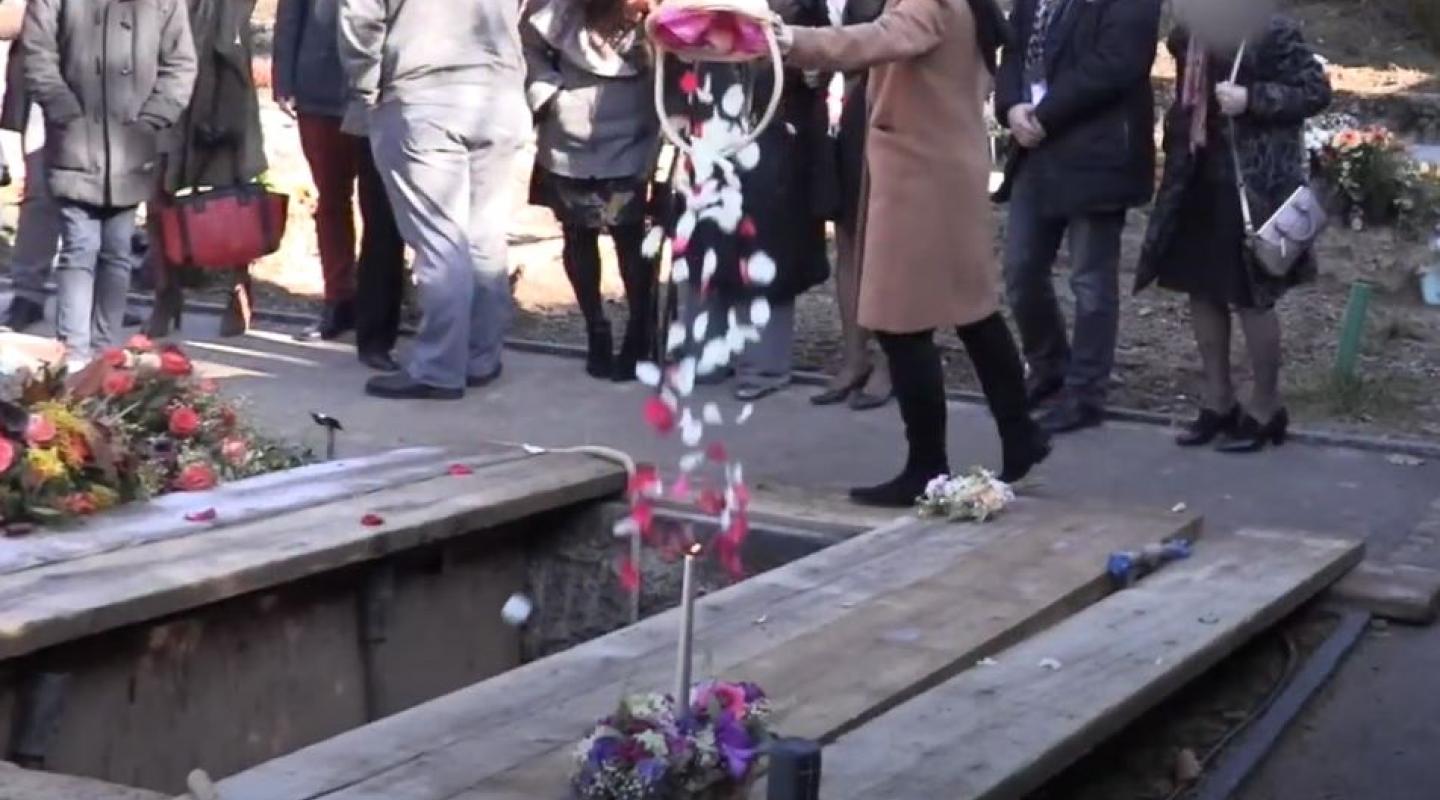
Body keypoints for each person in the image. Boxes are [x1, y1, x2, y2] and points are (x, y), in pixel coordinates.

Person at [776, 0, 1050, 507]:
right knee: (972, 311)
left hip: (920, 177)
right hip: (941, 167)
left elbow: (879, 38)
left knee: (900, 323)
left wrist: (793, 40)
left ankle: (927, 465)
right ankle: (1020, 435)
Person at [1136, 0, 1331, 453]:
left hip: (1251, 187)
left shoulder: (1271, 27)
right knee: (1200, 289)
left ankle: (1266, 408)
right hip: (1197, 175)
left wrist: (1252, 99)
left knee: (1251, 297)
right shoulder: (1191, 31)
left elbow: (1314, 90)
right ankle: (1218, 401)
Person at [340, 0, 530, 400]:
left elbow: (360, 16)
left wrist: (366, 85)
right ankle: (480, 357)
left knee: (440, 241)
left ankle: (439, 368)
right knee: (484, 236)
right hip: (500, 94)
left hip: (424, 93)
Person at [994, 0, 1162, 434]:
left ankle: (1086, 391)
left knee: (1090, 280)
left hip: (1097, 152)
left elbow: (1117, 63)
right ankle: (1048, 366)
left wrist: (1046, 114)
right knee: (1020, 270)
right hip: (1035, 150)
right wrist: (1011, 106)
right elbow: (1014, 49)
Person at [21, 0, 196, 365]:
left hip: (131, 143)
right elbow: (37, 52)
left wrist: (153, 118)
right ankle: (73, 354)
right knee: (79, 247)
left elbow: (180, 62)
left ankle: (103, 355)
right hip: (74, 140)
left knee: (117, 250)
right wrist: (63, 109)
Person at [673, 0, 832, 402]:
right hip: (710, 126)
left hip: (775, 129)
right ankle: (706, 353)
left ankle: (763, 366)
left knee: (764, 247)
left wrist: (806, 67)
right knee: (706, 239)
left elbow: (820, 54)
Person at [523, 0, 660, 382]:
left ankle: (639, 332)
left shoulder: (654, 11)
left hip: (633, 136)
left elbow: (679, 60)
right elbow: (530, 46)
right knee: (577, 235)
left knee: (630, 238)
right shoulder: (559, 8)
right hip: (568, 139)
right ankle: (596, 329)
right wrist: (549, 96)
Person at [274, 0, 407, 368]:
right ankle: (338, 300)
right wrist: (283, 79)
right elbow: (290, 14)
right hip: (318, 89)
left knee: (381, 209)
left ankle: (379, 310)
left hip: (380, 91)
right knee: (331, 201)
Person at [144, 0, 267, 340]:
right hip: (163, 81)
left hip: (220, 87)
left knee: (233, 196)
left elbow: (232, 33)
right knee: (157, 193)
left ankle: (238, 289)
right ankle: (166, 292)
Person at [809, 0, 892, 411]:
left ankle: (892, 362)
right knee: (846, 238)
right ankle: (855, 357)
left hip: (880, 113)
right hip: (832, 115)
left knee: (885, 242)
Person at [1, 0, 62, 333]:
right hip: (47, 77)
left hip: (114, 79)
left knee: (108, 193)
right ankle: (28, 294)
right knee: (40, 191)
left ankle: (101, 296)